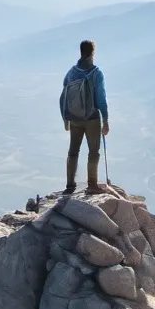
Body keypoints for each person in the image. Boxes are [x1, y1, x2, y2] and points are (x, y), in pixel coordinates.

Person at [60, 38, 109, 194]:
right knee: (93, 152)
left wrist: (65, 119)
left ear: (81, 52)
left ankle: (70, 185)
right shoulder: (96, 73)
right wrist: (106, 119)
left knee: (73, 151)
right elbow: (101, 98)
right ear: (92, 53)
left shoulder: (71, 73)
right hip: (92, 118)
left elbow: (64, 97)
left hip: (74, 118)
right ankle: (92, 185)